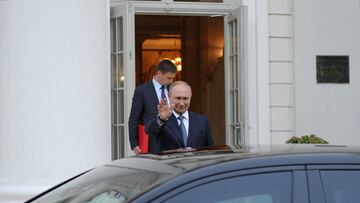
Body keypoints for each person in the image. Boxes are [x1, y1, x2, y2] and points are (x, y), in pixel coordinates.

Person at [146, 81, 213, 152]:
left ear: (190, 97)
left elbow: (210, 149)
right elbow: (150, 131)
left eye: (185, 98)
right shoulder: (161, 117)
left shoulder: (202, 121)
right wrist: (161, 119)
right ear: (169, 96)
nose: (181, 103)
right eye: (178, 98)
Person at [128, 59, 177, 154]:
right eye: (169, 78)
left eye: (172, 78)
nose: (171, 81)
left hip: (171, 142)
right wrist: (134, 144)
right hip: (151, 142)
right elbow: (134, 118)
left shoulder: (172, 89)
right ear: (159, 73)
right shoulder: (142, 91)